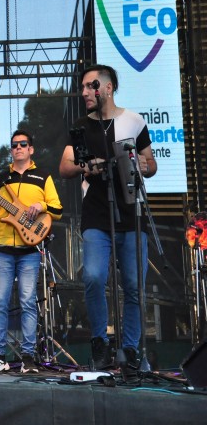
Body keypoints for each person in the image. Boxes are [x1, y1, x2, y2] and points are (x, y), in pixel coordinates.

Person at [59, 64, 156, 370]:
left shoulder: (134, 121)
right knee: (93, 276)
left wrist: (143, 165)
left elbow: (151, 164)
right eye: (84, 87)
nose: (85, 92)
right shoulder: (80, 126)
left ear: (108, 87)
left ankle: (129, 351)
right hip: (96, 214)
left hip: (131, 213)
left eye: (90, 86)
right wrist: (84, 167)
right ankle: (99, 344)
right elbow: (65, 167)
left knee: (132, 285)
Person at [0, 129, 63, 374]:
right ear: (11, 150)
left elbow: (57, 209)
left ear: (31, 149)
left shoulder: (43, 177)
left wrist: (40, 204)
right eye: (14, 145)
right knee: (0, 303)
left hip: (30, 249)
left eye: (23, 144)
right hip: (3, 248)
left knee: (27, 303)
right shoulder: (0, 179)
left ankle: (28, 357)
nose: (19, 148)